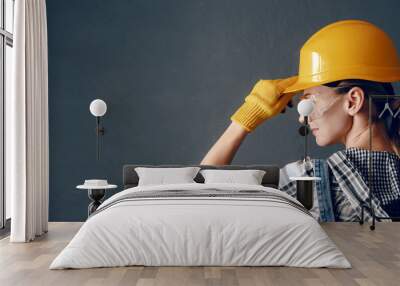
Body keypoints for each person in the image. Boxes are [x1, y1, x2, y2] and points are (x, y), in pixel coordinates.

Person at [200, 19, 400, 222]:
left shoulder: (309, 181)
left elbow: (199, 197)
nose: (302, 117)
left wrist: (243, 121)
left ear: (353, 101)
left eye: (309, 100)